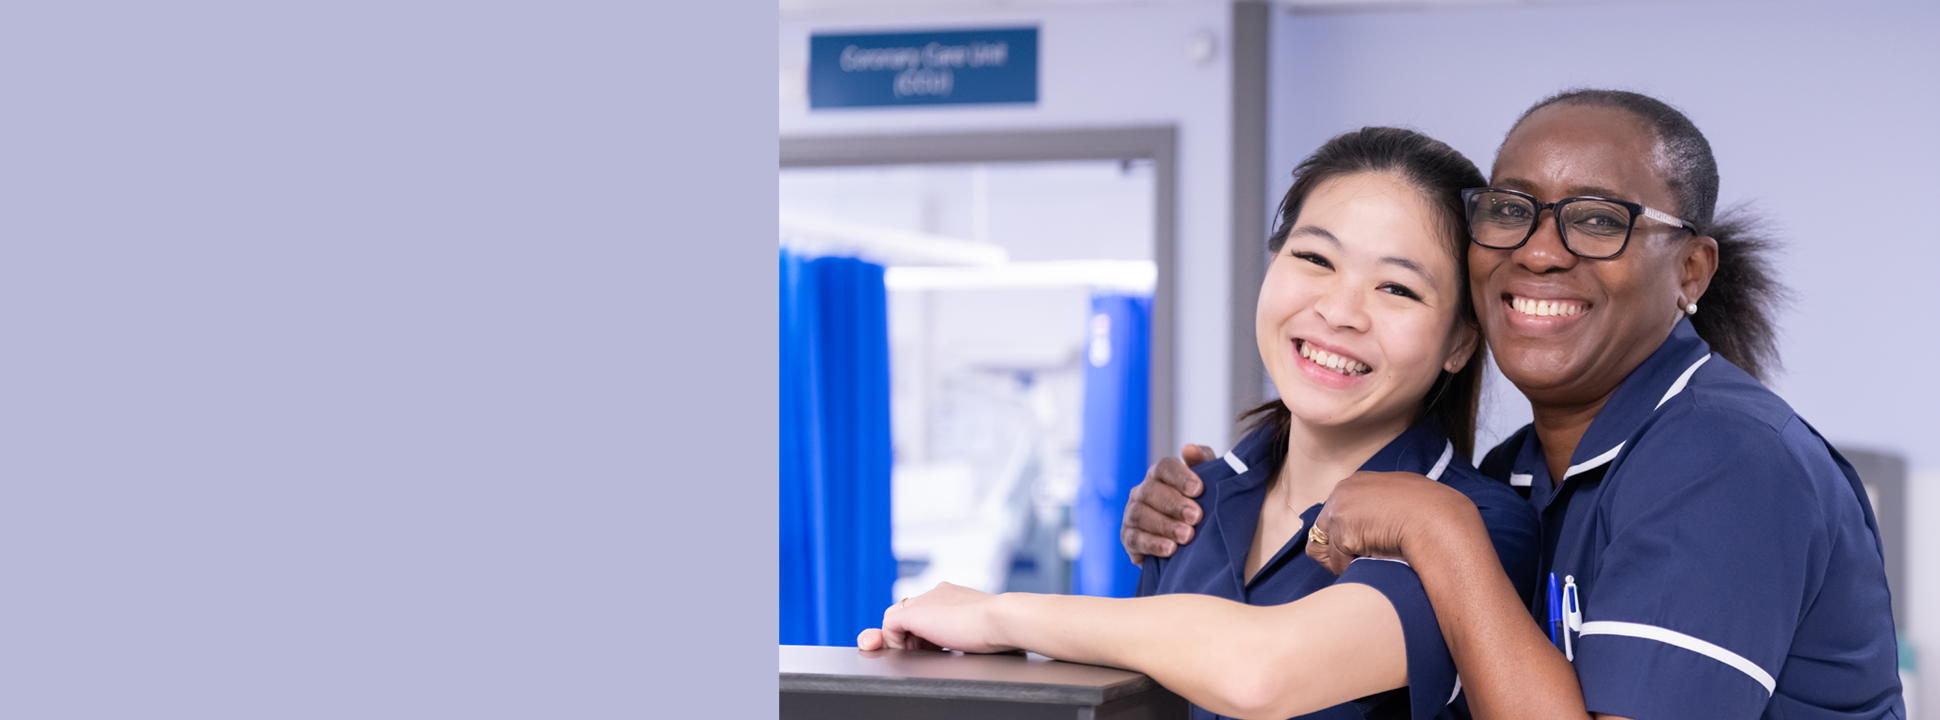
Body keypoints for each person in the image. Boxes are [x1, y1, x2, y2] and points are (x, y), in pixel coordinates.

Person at [1123, 89, 1904, 719]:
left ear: (1691, 272)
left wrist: (1440, 528)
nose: (1538, 248)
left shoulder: (1726, 456)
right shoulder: (1520, 476)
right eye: (1511, 209)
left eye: (1599, 220)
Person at [858, 126, 1540, 720]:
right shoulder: (1191, 502)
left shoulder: (1478, 527)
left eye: (1397, 288)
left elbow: (1262, 670)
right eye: (1314, 258)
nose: (1341, 310)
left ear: (1458, 343)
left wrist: (998, 612)